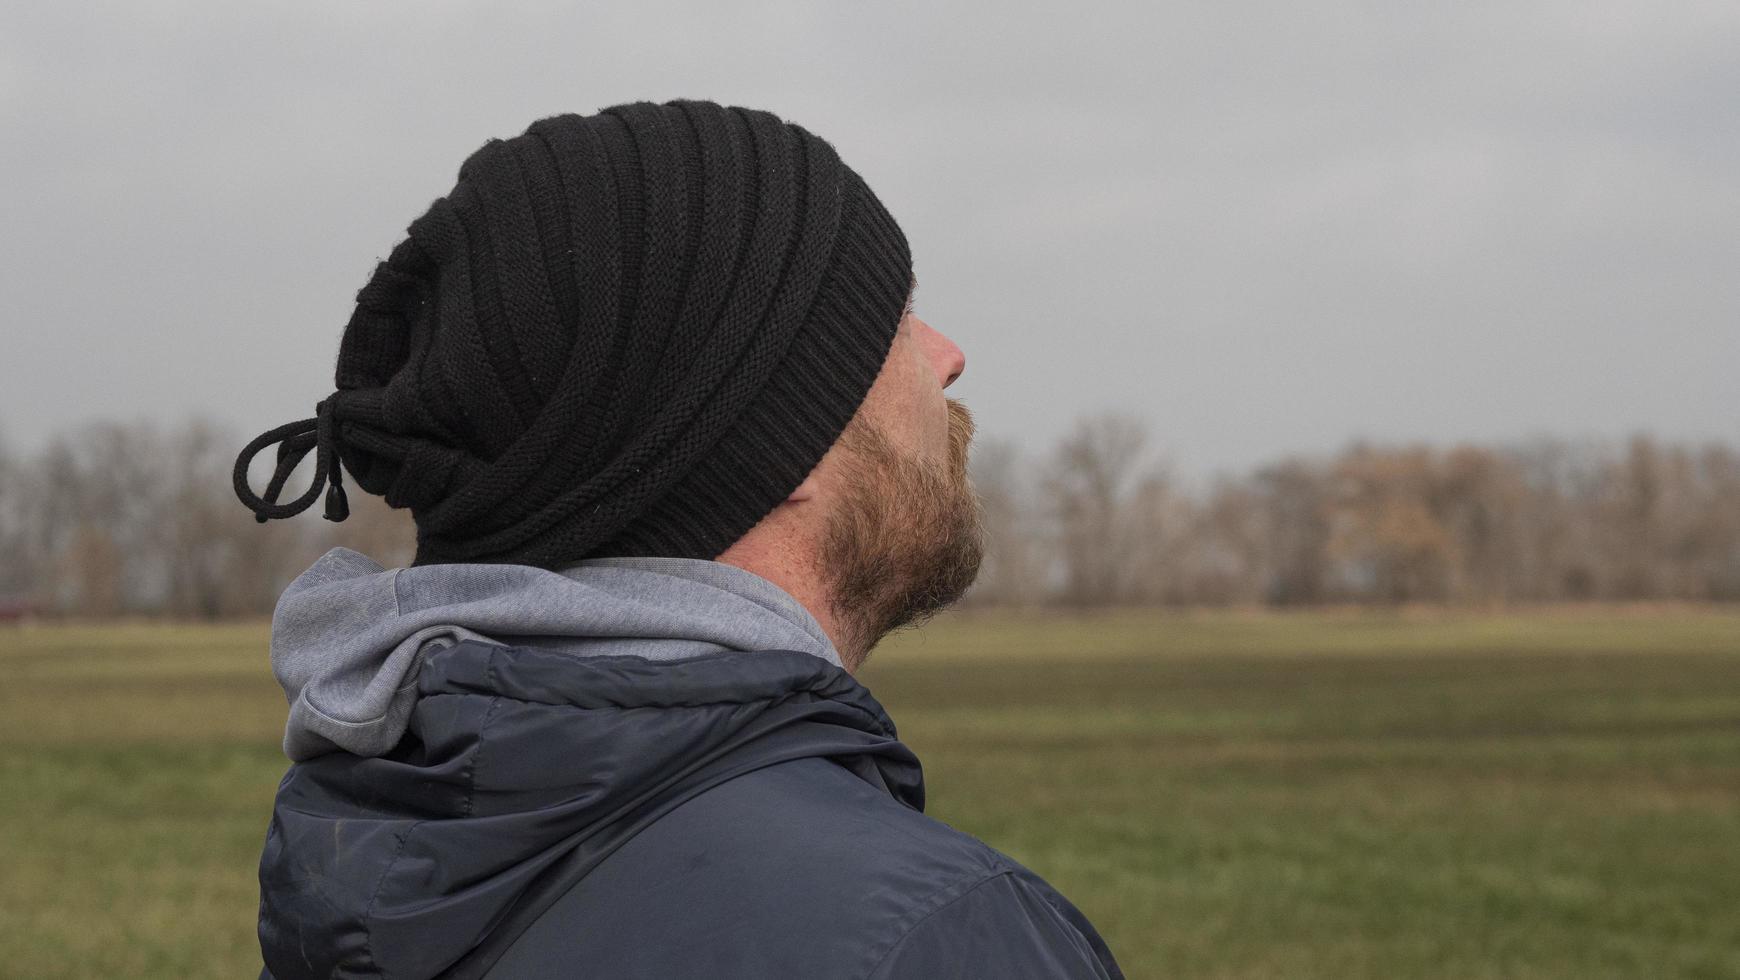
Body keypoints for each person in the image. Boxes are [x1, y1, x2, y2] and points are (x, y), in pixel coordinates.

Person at [234, 99, 1123, 980]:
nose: (945, 353)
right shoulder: (932, 940)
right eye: (891, 321)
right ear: (782, 438)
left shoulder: (365, 863)